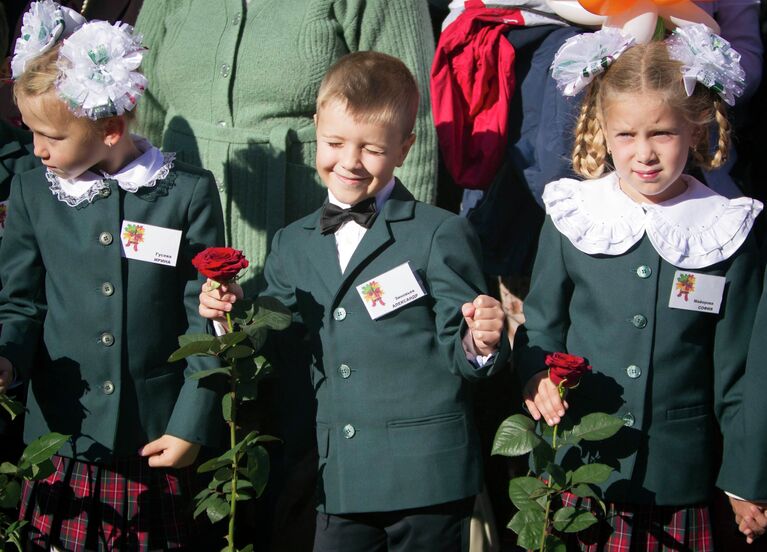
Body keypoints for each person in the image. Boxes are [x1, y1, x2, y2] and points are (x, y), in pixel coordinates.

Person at [200, 51, 511, 551]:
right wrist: (231, 317)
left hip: (426, 475)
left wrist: (480, 339)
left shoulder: (440, 233)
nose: (349, 161)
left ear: (405, 148)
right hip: (335, 473)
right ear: (315, 128)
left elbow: (466, 350)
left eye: (371, 148)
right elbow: (272, 345)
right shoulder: (291, 243)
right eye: (335, 142)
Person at [515, 26, 764, 550]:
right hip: (583, 472)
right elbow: (541, 322)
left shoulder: (725, 230)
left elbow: (743, 369)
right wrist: (535, 372)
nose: (644, 153)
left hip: (681, 477)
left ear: (694, 131)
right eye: (627, 134)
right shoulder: (574, 216)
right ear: (602, 130)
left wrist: (747, 480)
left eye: (662, 134)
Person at [0, 3, 224, 550]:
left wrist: (192, 422)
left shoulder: (186, 193)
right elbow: (20, 303)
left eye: (50, 135)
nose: (36, 150)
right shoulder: (32, 191)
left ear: (111, 127)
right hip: (64, 438)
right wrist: (5, 356)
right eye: (29, 133)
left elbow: (207, 316)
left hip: (155, 439)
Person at [134, 0, 438, 295]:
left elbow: (409, 123)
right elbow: (142, 108)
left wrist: (399, 259)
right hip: (178, 239)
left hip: (315, 251)